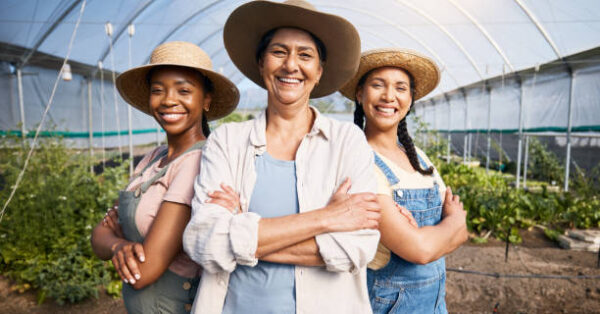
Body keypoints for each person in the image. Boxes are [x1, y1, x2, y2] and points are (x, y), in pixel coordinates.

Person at [182, 1, 381, 313]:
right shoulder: (227, 141)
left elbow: (358, 247)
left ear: (319, 70)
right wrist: (326, 218)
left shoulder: (347, 141)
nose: (291, 65)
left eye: (305, 55)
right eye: (279, 52)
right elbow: (204, 243)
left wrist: (239, 235)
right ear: (261, 63)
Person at [90, 41, 239, 314]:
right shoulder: (154, 158)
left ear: (206, 100)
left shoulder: (197, 161)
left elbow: (144, 272)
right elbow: (98, 237)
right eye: (158, 90)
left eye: (184, 90)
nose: (169, 100)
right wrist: (119, 245)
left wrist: (114, 239)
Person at [339, 48, 469, 314]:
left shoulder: (417, 156)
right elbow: (420, 251)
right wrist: (451, 223)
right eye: (378, 85)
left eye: (400, 88)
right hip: (389, 305)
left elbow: (462, 234)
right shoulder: (359, 161)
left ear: (410, 99)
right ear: (360, 94)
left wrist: (429, 235)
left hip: (435, 303)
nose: (389, 96)